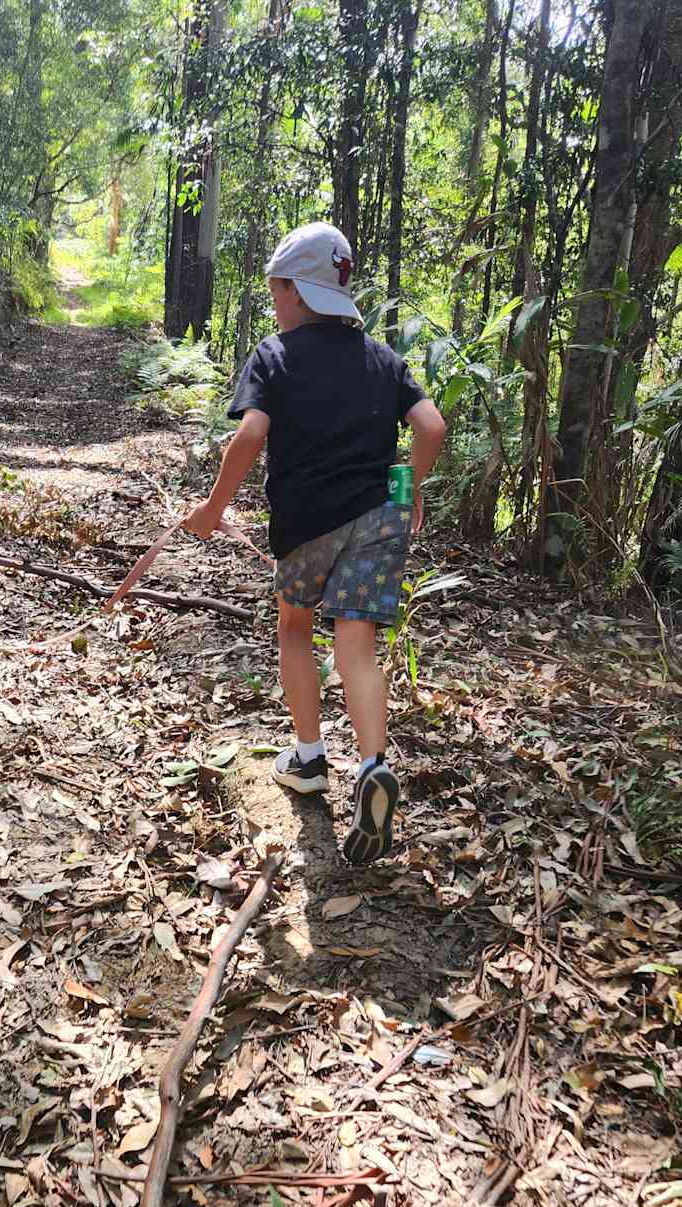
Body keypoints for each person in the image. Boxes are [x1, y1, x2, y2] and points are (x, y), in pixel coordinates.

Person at [182, 221, 448, 865]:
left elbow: (248, 439)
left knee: (296, 629)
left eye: (277, 290)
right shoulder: (383, 360)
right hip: (380, 519)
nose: (275, 302)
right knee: (357, 645)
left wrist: (214, 508)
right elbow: (431, 425)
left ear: (298, 292)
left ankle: (307, 760)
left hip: (307, 526)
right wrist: (409, 487)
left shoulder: (275, 355)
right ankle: (372, 765)